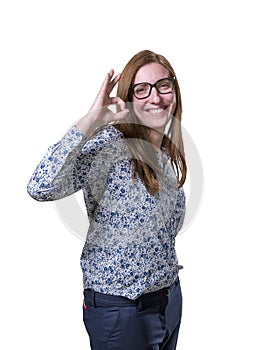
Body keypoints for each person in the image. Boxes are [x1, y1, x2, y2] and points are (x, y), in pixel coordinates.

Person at [27, 49, 187, 350]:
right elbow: (40, 186)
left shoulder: (165, 152)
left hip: (167, 301)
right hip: (122, 310)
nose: (156, 97)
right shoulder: (110, 145)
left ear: (175, 91)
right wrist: (90, 121)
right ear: (128, 97)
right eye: (142, 89)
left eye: (164, 85)